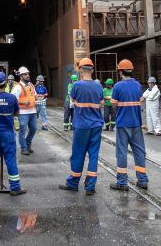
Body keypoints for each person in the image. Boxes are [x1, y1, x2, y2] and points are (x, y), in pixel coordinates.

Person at [59, 58, 103, 195]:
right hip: (96, 125)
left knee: (78, 154)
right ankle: (90, 186)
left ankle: (73, 183)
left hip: (81, 125)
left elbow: (72, 101)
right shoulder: (98, 86)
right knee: (93, 155)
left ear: (80, 70)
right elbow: (101, 104)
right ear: (92, 70)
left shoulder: (76, 85)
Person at [110, 59, 148, 191]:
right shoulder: (137, 85)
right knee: (139, 152)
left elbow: (114, 105)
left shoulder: (117, 86)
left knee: (121, 153)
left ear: (120, 71)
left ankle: (122, 182)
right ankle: (142, 180)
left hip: (123, 124)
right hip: (136, 123)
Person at [11, 66, 38, 156]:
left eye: (28, 74)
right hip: (23, 113)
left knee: (33, 129)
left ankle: (27, 144)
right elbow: (13, 100)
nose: (28, 76)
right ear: (21, 76)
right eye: (25, 74)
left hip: (33, 111)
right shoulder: (18, 87)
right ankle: (24, 148)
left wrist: (38, 99)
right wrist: (23, 102)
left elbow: (35, 96)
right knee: (22, 131)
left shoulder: (31, 85)